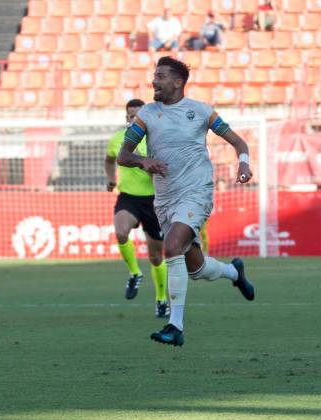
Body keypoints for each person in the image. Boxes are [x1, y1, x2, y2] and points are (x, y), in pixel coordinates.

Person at [117, 56, 255, 347]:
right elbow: (123, 155)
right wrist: (144, 161)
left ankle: (175, 326)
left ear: (178, 82)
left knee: (170, 247)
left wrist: (243, 163)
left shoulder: (201, 112)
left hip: (196, 193)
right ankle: (234, 272)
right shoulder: (147, 116)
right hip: (165, 200)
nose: (154, 81)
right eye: (154, 76)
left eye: (161, 76)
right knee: (196, 269)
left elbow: (239, 143)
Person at [104, 99, 168, 318]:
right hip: (128, 198)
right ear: (126, 118)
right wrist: (111, 179)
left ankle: (161, 299)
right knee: (120, 232)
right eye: (131, 115)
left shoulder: (157, 140)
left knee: (156, 257)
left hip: (154, 201)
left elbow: (165, 171)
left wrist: (152, 169)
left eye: (138, 115)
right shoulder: (117, 140)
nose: (134, 119)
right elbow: (109, 159)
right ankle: (134, 273)